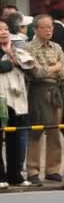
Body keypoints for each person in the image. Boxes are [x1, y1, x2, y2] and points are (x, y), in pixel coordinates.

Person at [23, 15, 64, 186]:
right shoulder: (29, 48)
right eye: (45, 27)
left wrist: (53, 69)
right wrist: (54, 67)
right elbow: (36, 72)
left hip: (56, 91)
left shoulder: (56, 47)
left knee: (54, 131)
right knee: (36, 131)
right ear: (35, 29)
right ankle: (33, 170)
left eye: (51, 27)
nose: (49, 30)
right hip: (37, 91)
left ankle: (53, 170)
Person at [0, 19, 33, 189]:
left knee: (15, 138)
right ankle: (0, 176)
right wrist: (8, 63)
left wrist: (12, 57)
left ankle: (15, 175)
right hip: (0, 99)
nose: (4, 32)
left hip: (16, 99)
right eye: (0, 29)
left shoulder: (15, 49)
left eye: (5, 29)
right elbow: (3, 66)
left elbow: (29, 67)